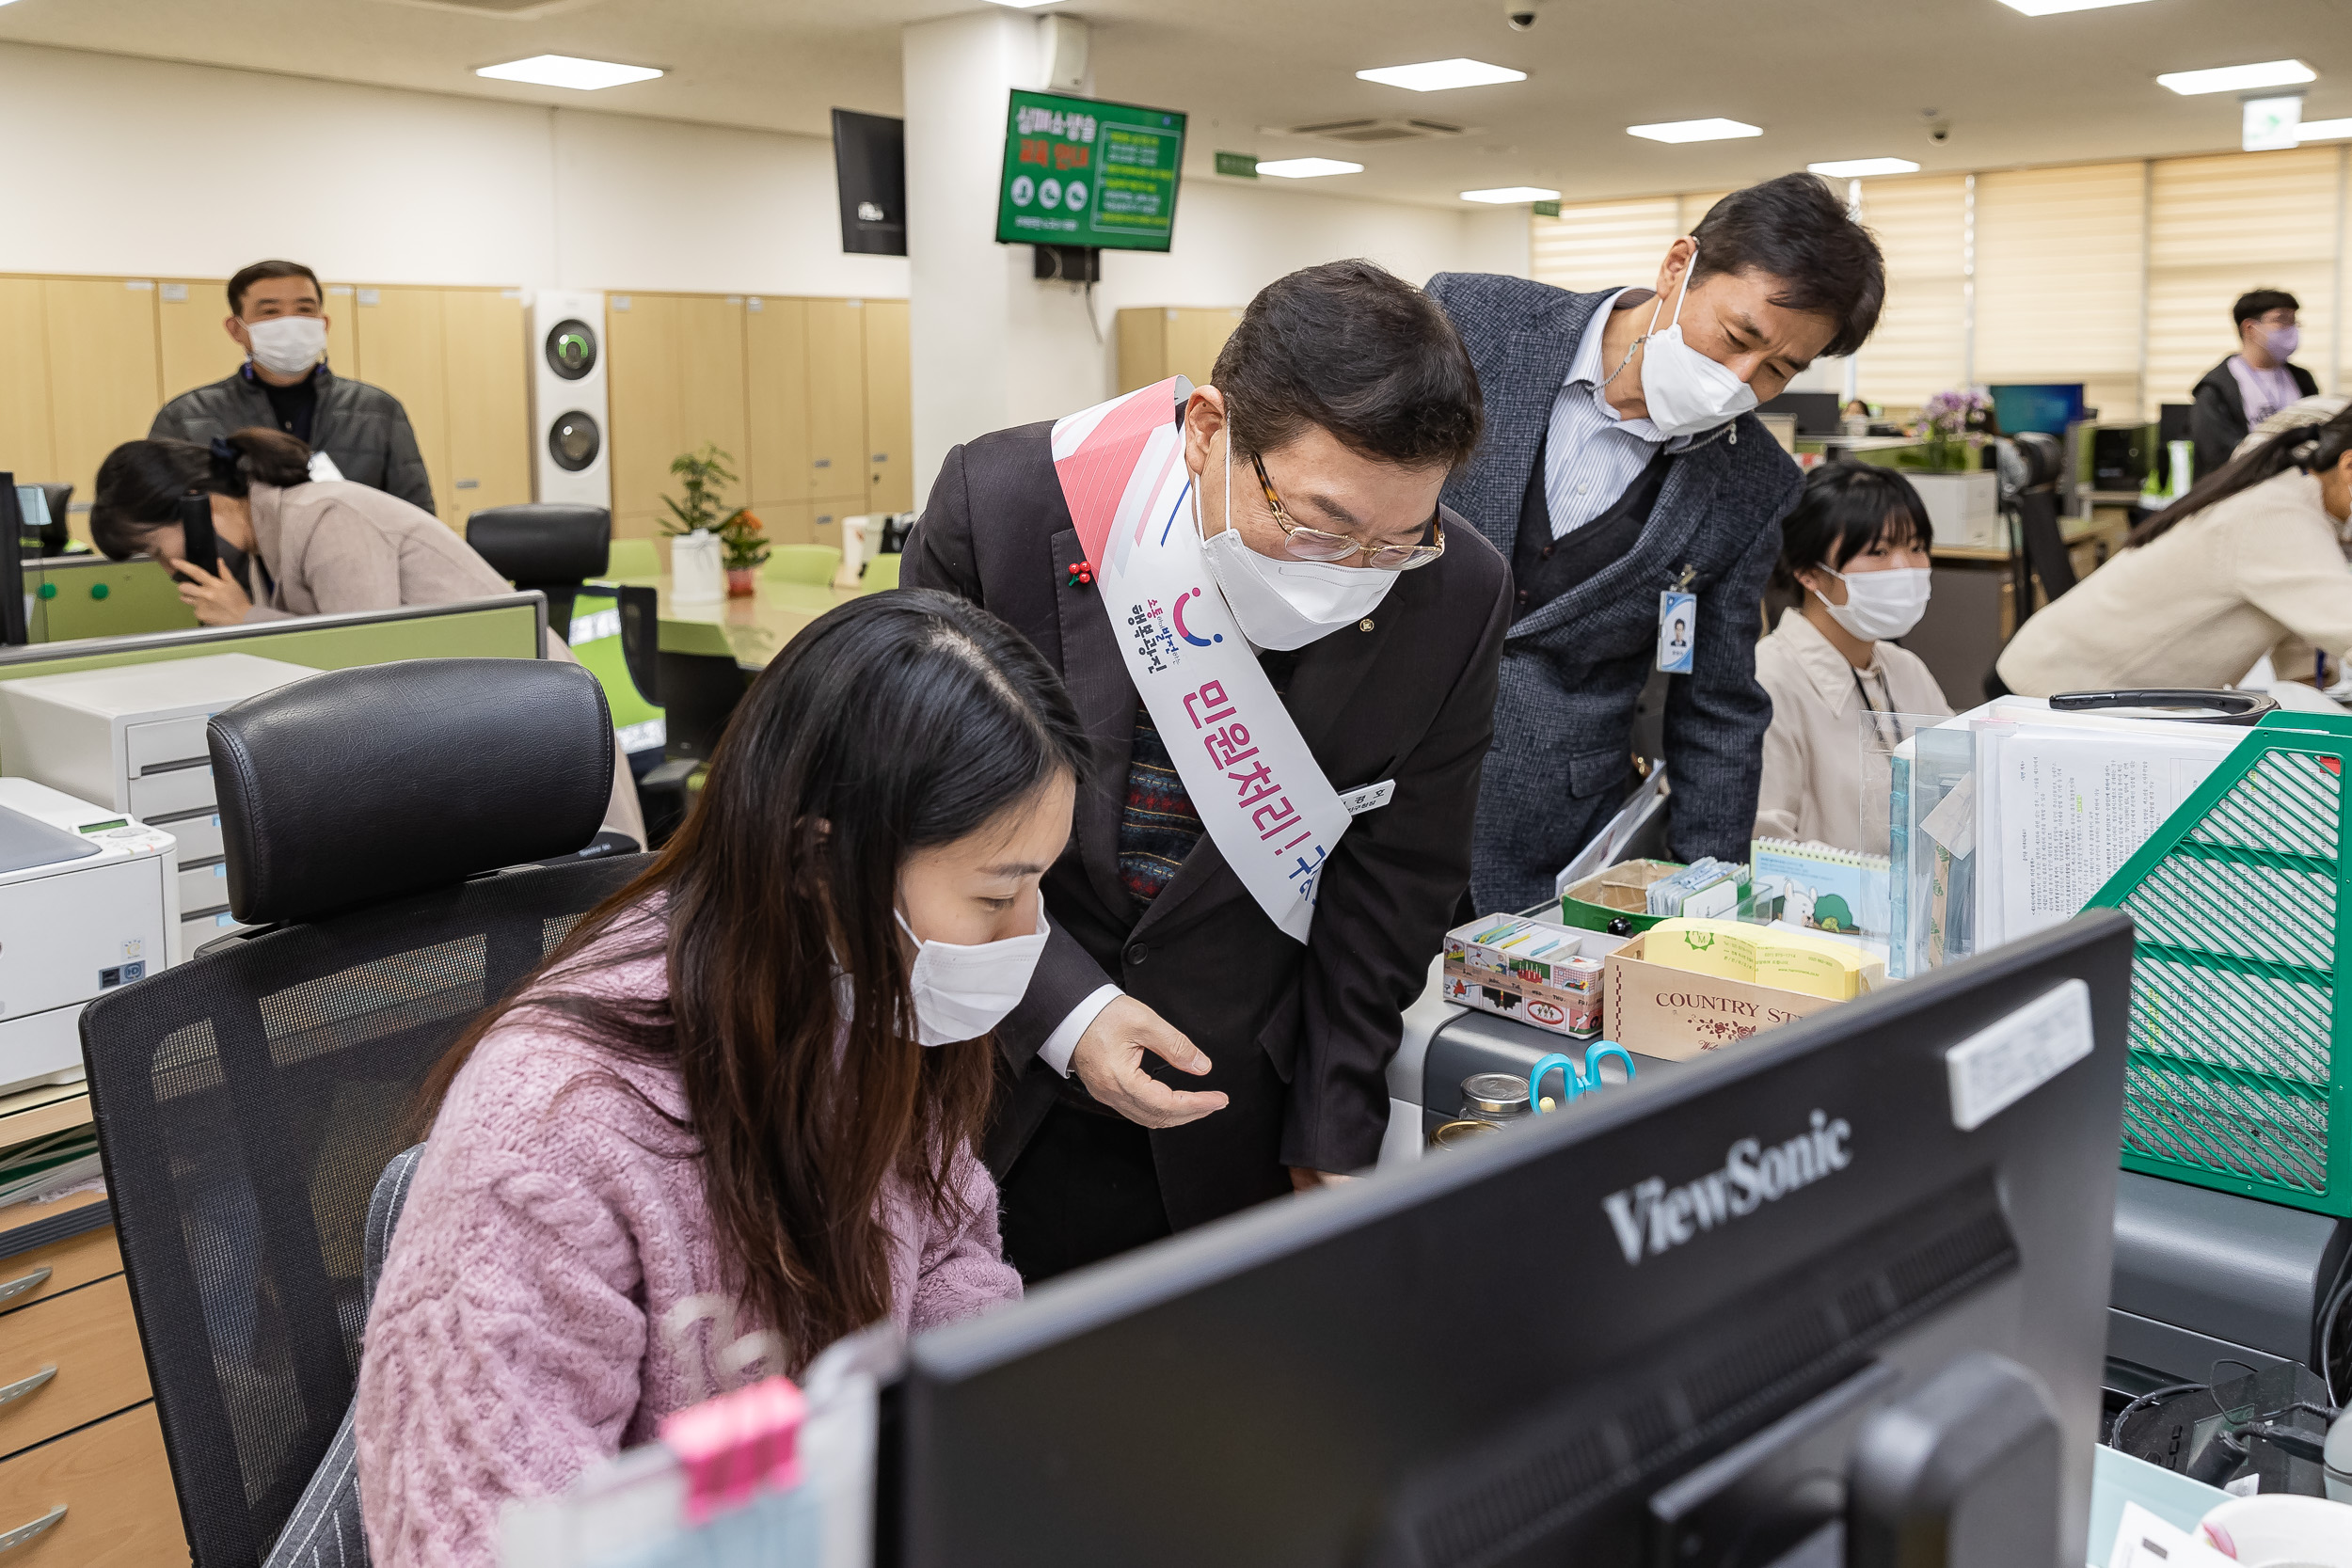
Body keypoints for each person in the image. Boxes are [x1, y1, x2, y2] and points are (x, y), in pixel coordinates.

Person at [357, 591, 1078, 1567]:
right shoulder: (556, 1121)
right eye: (997, 892)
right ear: (821, 861)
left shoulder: (870, 995)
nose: (1025, 933)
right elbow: (475, 1534)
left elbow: (950, 1261)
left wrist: (981, 1459)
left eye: (1040, 885)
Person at [909, 260, 1509, 1279]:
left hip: (1239, 1102)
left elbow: (1395, 885)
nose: (1349, 573)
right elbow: (912, 806)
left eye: (1395, 541)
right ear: (1206, 429)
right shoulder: (1003, 504)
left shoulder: (1455, 593)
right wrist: (1070, 1009)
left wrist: (1331, 1128)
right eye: (1317, 524)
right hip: (989, 1078)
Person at [1428, 173, 1887, 912]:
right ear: (1678, 267)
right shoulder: (1472, 322)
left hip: (1548, 839)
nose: (1740, 379)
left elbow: (1718, 710)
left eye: (1778, 370)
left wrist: (1708, 899)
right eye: (1739, 337)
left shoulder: (1751, 481)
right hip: (1349, 787)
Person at [89, 427, 644, 843]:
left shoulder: (328, 518)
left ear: (197, 504)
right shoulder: (266, 547)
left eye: (156, 550)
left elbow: (364, 673)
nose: (164, 568)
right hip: (473, 721)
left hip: (533, 723)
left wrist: (244, 620)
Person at [1994, 404, 2352, 696]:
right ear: (2348, 466)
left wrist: (2313, 686)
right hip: (2054, 690)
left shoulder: (2293, 500)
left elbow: (2298, 618)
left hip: (2079, 688)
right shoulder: (2276, 514)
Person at [1754, 462, 1950, 849]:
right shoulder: (1768, 681)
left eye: (1916, 548)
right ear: (1809, 572)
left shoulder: (1904, 668)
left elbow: (1958, 791)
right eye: (1878, 551)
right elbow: (1768, 848)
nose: (1904, 568)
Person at [150, 260, 437, 513]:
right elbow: (161, 513)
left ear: (323, 323)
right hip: (237, 573)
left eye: (304, 309)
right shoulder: (186, 416)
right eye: (270, 312)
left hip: (355, 570)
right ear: (236, 329)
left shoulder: (377, 410)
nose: (290, 322)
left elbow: (415, 511)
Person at [2190, 289, 2319, 486]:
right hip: (2240, 492)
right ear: (2250, 328)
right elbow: (2219, 455)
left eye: (2294, 322)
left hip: (2298, 488)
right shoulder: (2215, 388)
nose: (2291, 329)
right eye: (2281, 321)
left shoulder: (2302, 379)